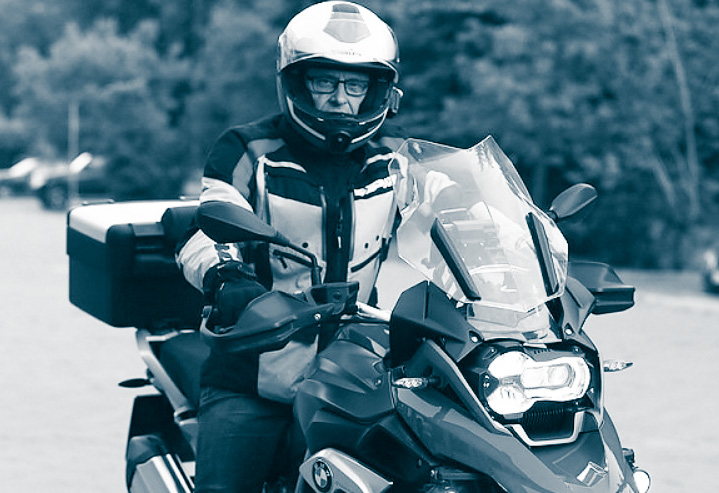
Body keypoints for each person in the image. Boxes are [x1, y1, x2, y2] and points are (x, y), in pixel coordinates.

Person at [176, 2, 405, 491]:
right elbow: (205, 225)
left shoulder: (396, 162)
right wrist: (227, 280)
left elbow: (459, 219)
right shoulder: (248, 150)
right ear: (298, 83)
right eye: (324, 82)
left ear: (378, 91)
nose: (340, 98)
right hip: (252, 372)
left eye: (355, 85)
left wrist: (518, 255)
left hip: (356, 373)